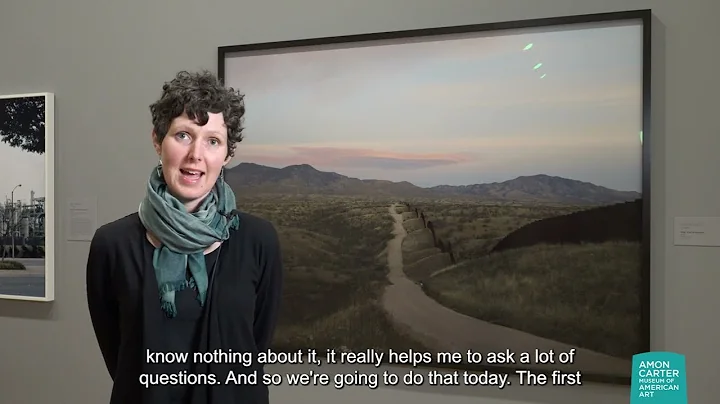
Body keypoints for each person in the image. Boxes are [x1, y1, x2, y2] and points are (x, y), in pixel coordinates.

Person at [86, 70, 284, 404]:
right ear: (157, 140)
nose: (196, 154)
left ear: (227, 155)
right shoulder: (113, 245)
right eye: (183, 135)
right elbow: (120, 358)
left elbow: (255, 347)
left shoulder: (258, 241)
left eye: (213, 141)